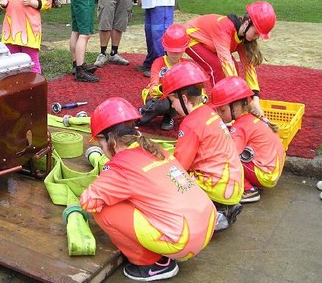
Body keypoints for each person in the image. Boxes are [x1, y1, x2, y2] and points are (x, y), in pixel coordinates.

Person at [80, 97, 216, 282]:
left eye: (100, 144)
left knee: (103, 210)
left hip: (183, 240)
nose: (102, 149)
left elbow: (88, 201)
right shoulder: (154, 148)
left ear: (108, 140)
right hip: (207, 224)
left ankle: (152, 264)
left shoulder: (120, 168)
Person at [160, 62, 244, 232]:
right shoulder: (209, 113)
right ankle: (222, 207)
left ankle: (210, 213)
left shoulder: (190, 124)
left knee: (170, 179)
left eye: (172, 101)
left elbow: (180, 166)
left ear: (184, 99)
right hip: (232, 185)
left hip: (216, 187)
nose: (173, 107)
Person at [183, 1, 276, 116]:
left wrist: (255, 99)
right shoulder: (225, 28)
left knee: (234, 67)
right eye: (256, 33)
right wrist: (241, 100)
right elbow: (226, 63)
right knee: (217, 67)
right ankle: (218, 109)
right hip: (191, 37)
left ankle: (228, 108)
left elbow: (249, 66)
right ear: (247, 23)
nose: (256, 38)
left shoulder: (244, 36)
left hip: (210, 43)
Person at [210, 76, 285, 203]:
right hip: (272, 171)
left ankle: (248, 190)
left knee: (224, 159)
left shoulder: (241, 126)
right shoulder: (250, 118)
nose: (219, 114)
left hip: (265, 175)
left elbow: (229, 153)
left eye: (222, 110)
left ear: (236, 106)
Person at [138, 24, 190, 130]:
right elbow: (153, 87)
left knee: (186, 100)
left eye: (178, 51)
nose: (175, 54)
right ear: (166, 48)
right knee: (163, 103)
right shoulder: (158, 63)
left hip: (176, 98)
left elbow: (195, 86)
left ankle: (169, 116)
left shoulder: (186, 65)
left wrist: (201, 96)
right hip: (159, 97)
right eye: (172, 50)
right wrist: (164, 88)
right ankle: (141, 116)